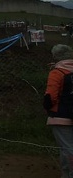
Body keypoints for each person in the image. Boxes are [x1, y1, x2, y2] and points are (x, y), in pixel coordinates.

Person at [44, 44, 73, 176]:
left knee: (67, 148)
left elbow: (50, 96)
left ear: (55, 57)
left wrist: (48, 108)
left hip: (60, 116)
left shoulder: (57, 72)